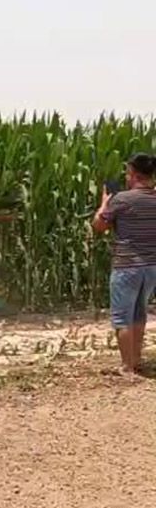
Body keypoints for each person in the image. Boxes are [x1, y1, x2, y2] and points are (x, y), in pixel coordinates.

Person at [93, 153, 156, 375]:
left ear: (135, 174)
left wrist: (103, 204)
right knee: (139, 313)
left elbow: (99, 226)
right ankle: (136, 360)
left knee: (122, 317)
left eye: (128, 173)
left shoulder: (122, 200)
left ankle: (126, 367)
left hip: (127, 265)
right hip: (151, 267)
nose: (126, 178)